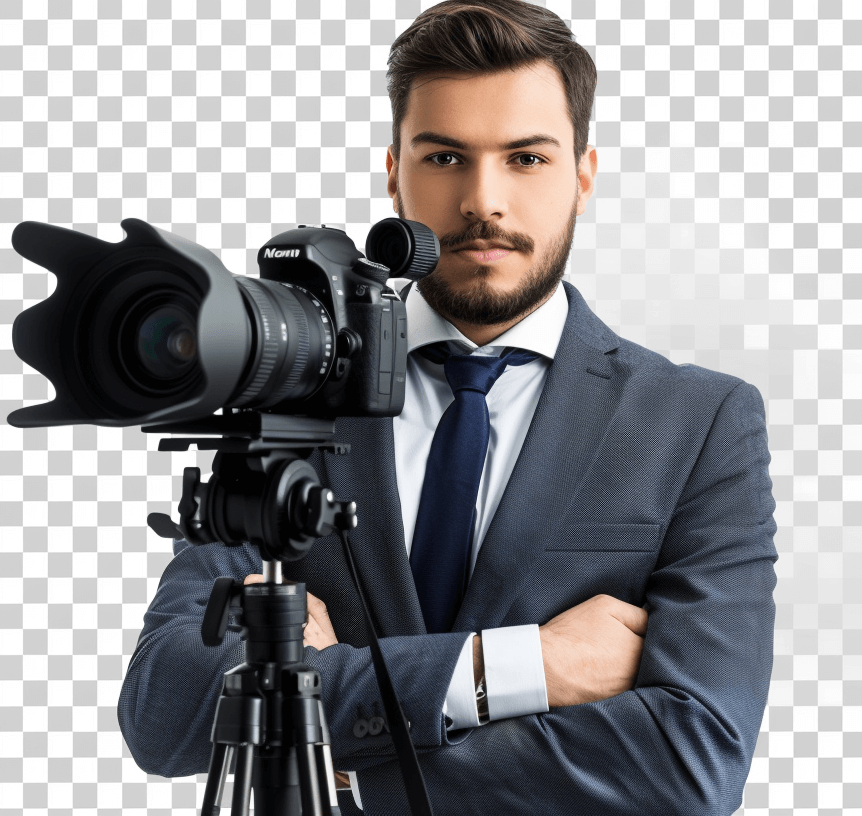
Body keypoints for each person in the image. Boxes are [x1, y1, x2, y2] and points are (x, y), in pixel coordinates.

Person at [118, 2, 779, 813]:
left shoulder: (699, 424)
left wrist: (348, 763)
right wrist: (519, 668)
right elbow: (165, 706)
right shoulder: (286, 390)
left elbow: (692, 760)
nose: (482, 200)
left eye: (527, 158)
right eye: (445, 157)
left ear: (584, 173)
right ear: (396, 170)